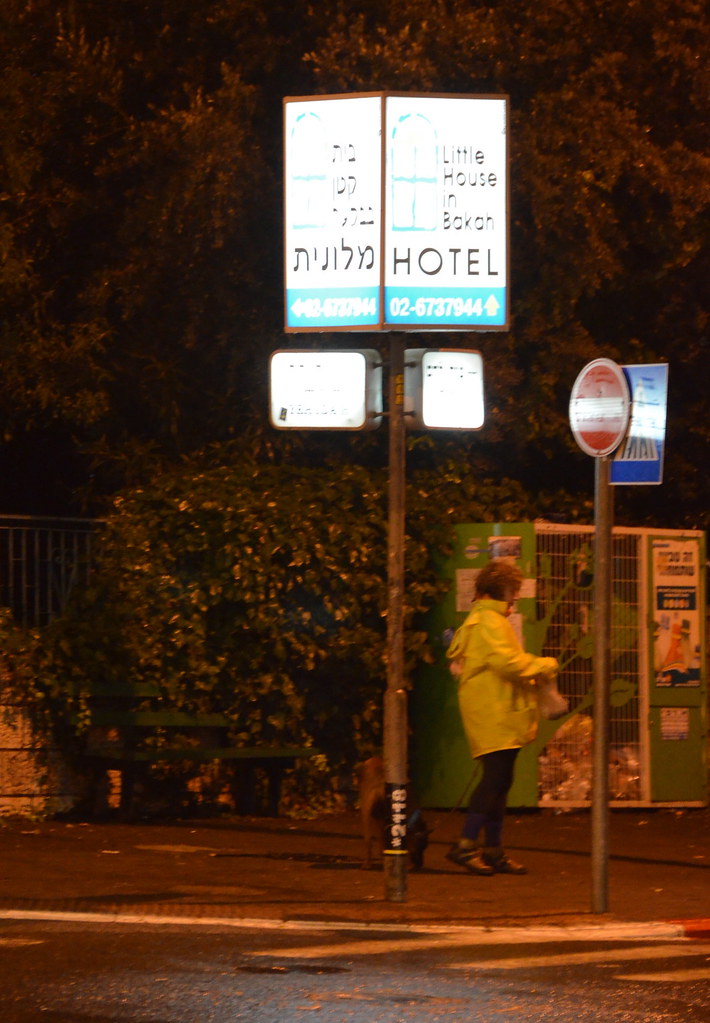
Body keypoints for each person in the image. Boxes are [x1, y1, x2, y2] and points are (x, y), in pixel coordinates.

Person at [445, 559, 559, 875]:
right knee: (494, 780)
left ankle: (493, 849)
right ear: (505, 590)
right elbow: (508, 663)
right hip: (493, 715)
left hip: (499, 714)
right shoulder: (487, 623)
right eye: (515, 590)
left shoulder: (487, 619)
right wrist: (546, 665)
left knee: (501, 781)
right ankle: (466, 845)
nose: (516, 597)